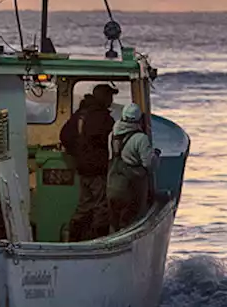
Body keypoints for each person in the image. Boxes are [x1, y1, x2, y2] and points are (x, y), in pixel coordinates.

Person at [60, 83, 116, 241]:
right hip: (98, 169)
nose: (111, 100)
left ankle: (74, 235)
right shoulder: (103, 118)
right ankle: (98, 239)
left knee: (85, 203)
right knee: (101, 205)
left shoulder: (80, 114)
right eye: (110, 96)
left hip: (82, 167)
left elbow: (65, 136)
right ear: (103, 98)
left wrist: (77, 153)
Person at [107, 103, 160, 231]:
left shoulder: (112, 134)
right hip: (131, 187)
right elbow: (148, 164)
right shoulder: (141, 139)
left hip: (112, 184)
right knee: (130, 222)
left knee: (114, 221)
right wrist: (156, 155)